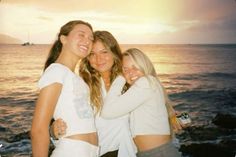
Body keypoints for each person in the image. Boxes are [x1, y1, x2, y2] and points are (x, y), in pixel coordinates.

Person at [51, 30, 137, 157]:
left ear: (114, 53)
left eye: (104, 52)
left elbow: (151, 91)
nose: (99, 59)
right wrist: (53, 130)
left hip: (130, 150)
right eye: (92, 54)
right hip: (100, 152)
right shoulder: (82, 86)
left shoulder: (127, 80)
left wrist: (169, 114)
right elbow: (66, 118)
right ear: (87, 58)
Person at [30, 20, 98, 157]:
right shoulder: (56, 71)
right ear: (63, 39)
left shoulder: (74, 77)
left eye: (91, 38)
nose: (87, 41)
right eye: (81, 35)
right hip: (71, 151)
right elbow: (38, 129)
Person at [101, 48, 182, 157]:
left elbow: (107, 112)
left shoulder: (146, 83)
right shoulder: (145, 87)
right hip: (148, 153)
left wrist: (120, 77)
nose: (130, 72)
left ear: (144, 65)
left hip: (158, 153)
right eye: (125, 69)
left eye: (135, 67)